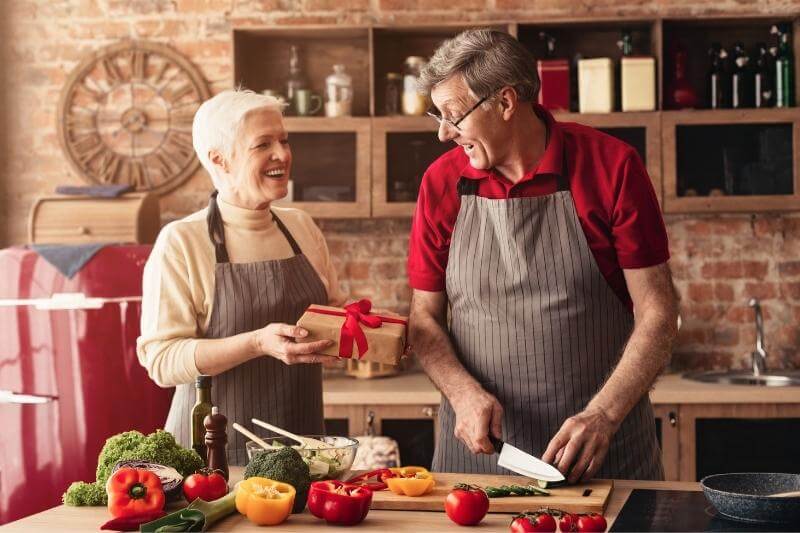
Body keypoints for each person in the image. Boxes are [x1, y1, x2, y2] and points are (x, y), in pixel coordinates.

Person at [407, 29, 679, 482]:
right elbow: (423, 318)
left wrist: (604, 416)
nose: (442, 133)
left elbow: (659, 311)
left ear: (507, 102)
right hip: (480, 463)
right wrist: (461, 393)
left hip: (600, 458)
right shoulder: (441, 183)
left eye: (453, 116)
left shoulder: (611, 166)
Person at [137, 89, 345, 465]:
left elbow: (330, 314)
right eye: (262, 144)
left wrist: (375, 330)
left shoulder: (301, 227)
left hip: (301, 445)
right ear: (220, 160)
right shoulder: (182, 241)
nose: (282, 154)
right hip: (212, 457)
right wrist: (257, 343)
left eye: (283, 140)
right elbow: (162, 360)